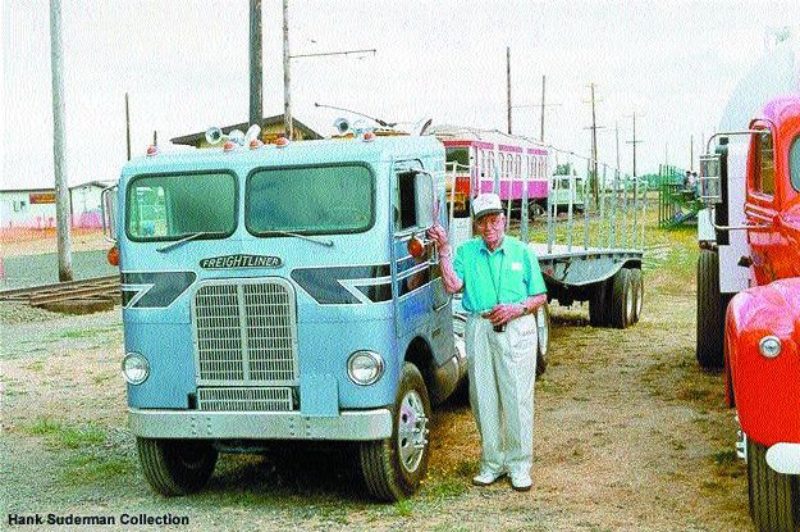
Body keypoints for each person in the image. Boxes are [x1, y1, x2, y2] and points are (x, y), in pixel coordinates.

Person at [427, 192, 547, 492]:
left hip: (517, 327)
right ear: (476, 225)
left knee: (517, 396)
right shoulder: (467, 252)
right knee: (482, 396)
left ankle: (519, 466)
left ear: (504, 219)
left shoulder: (522, 252)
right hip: (479, 325)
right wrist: (443, 249)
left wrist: (516, 308)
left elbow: (540, 296)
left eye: (494, 220)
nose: (489, 227)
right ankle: (492, 463)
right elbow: (454, 285)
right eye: (483, 222)